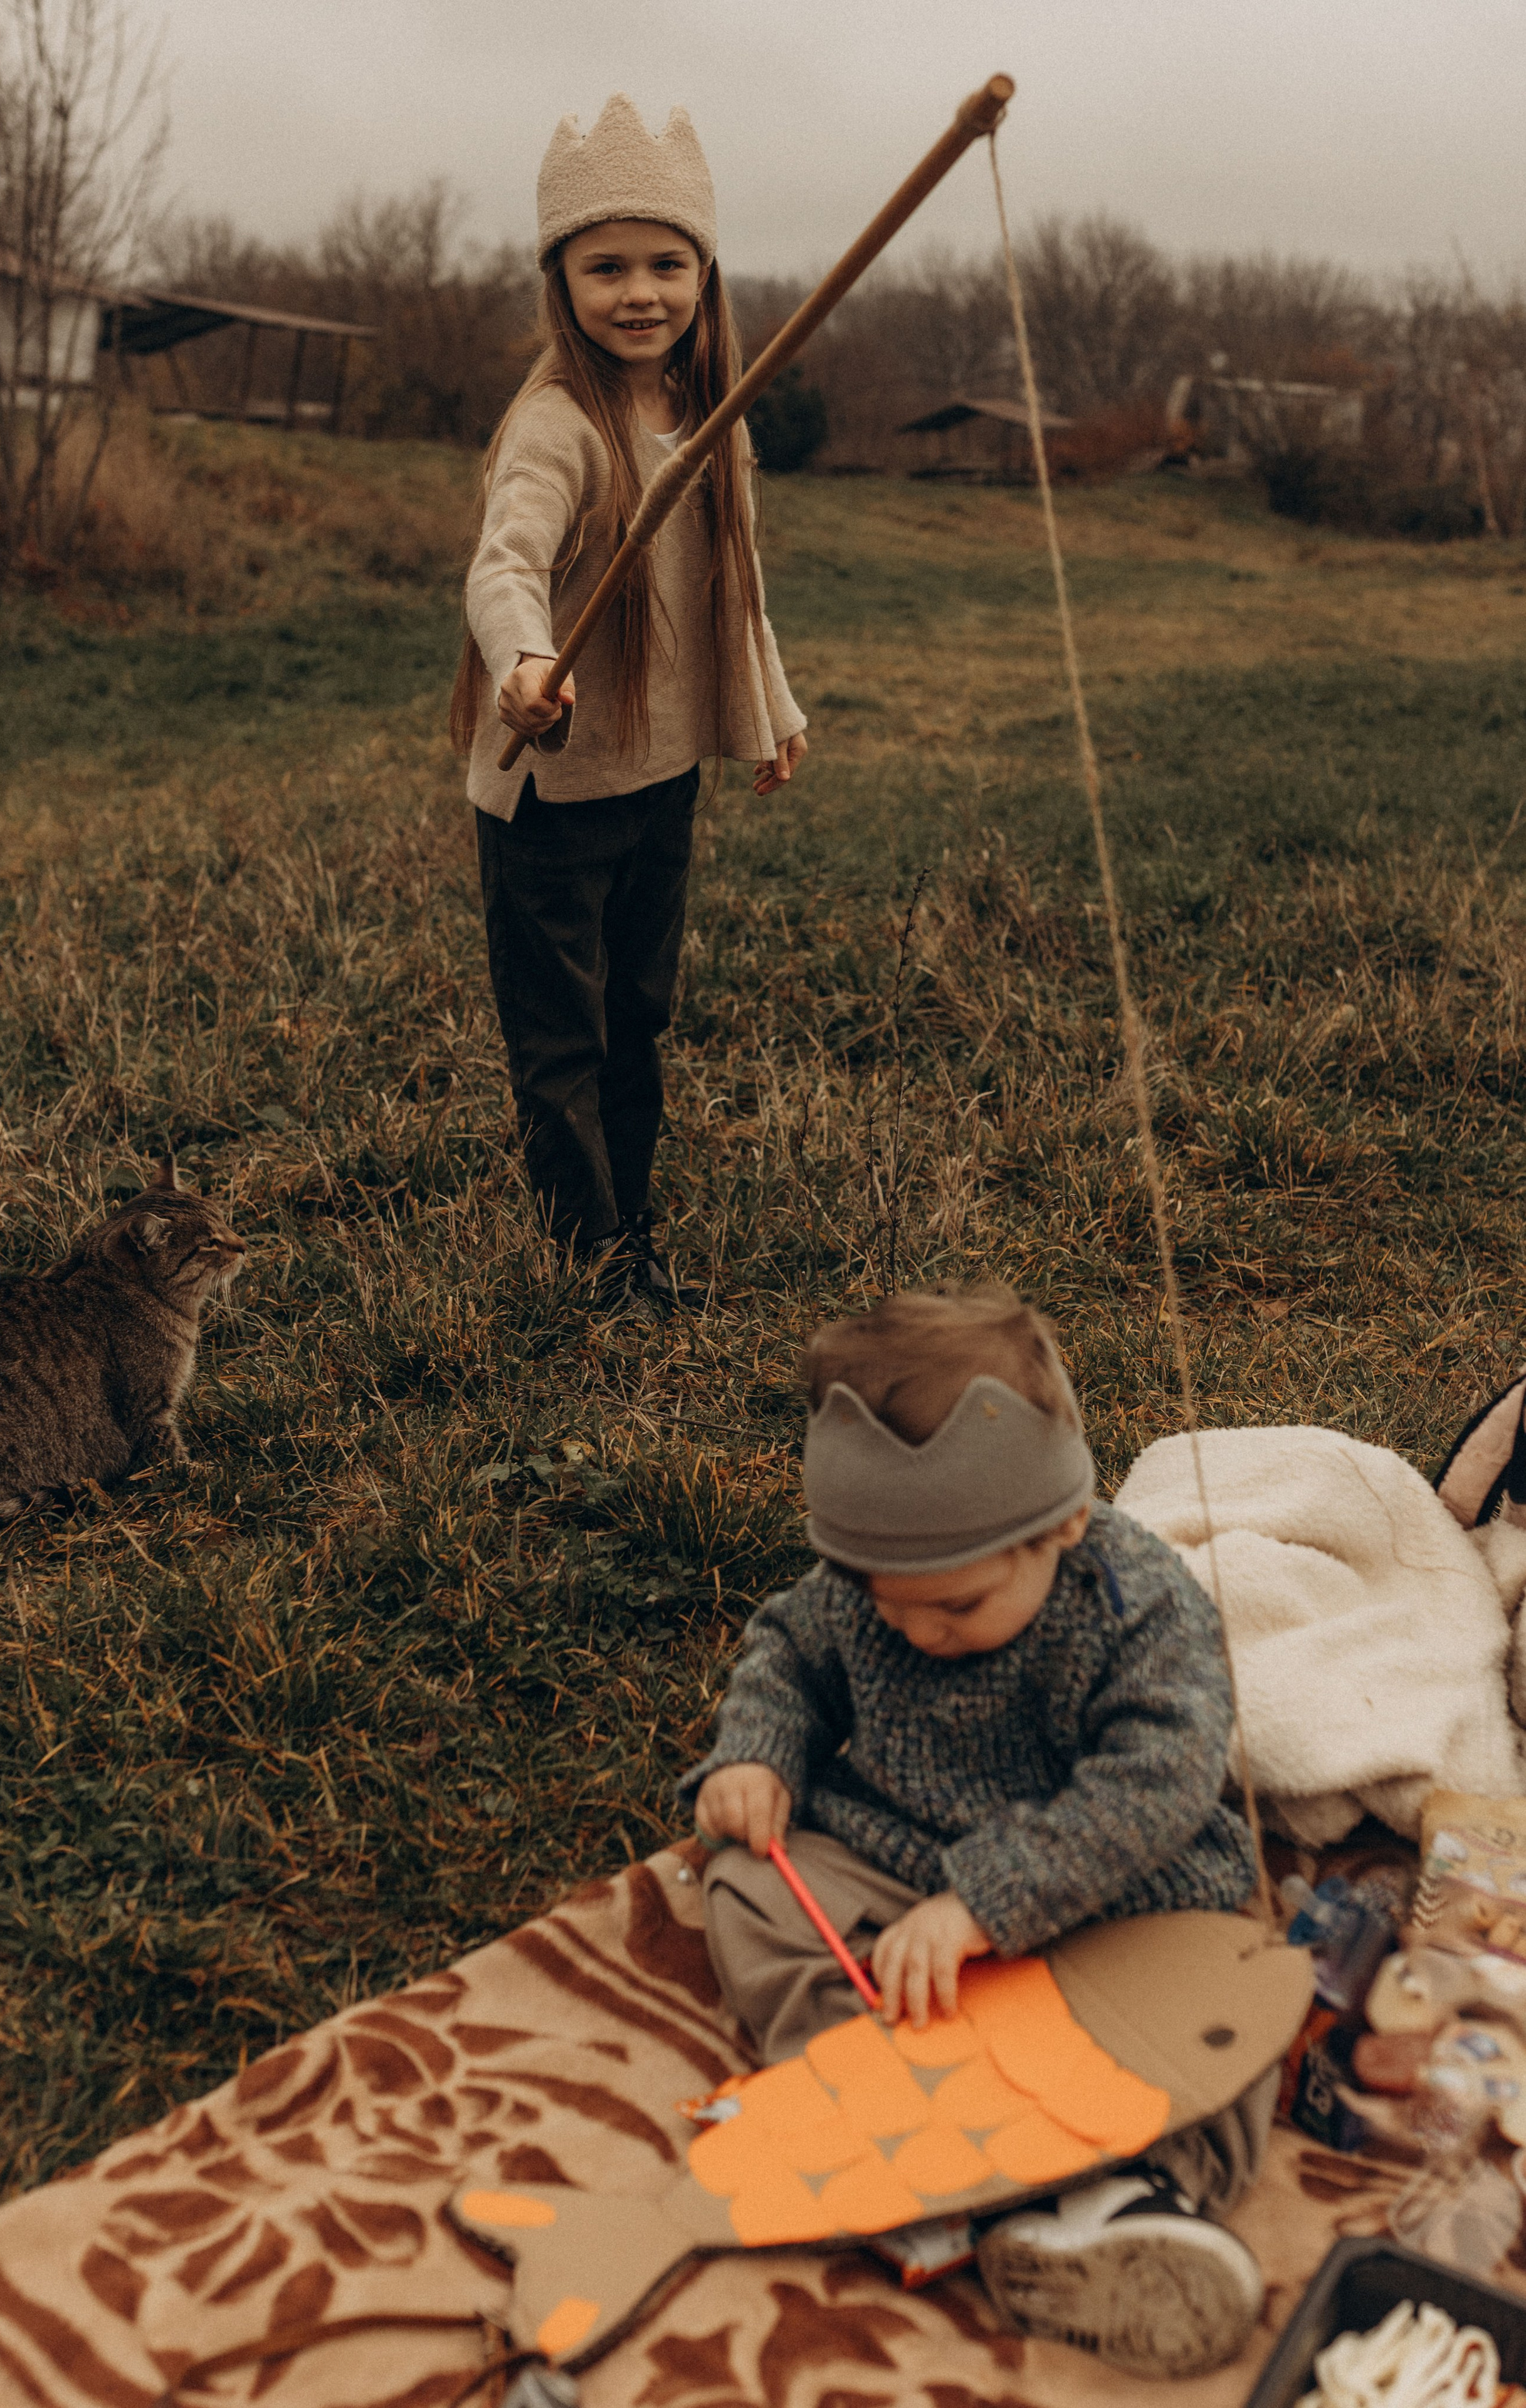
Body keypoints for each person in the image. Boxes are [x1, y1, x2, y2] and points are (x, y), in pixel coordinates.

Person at [679, 1285, 1279, 2383]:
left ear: (1062, 1527)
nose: (911, 1628)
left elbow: (1162, 1781)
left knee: (1225, 2012)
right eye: (883, 1600)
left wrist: (990, 1905)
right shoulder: (881, 1581)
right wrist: (757, 1753)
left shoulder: (1137, 1605)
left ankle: (1127, 2195)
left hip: (1115, 1895)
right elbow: (789, 1652)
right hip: (905, 1851)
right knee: (747, 1886)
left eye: (951, 1609)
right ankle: (880, 2098)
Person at [451, 95, 807, 1320]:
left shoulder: (708, 418)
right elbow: (504, 565)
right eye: (605, 266)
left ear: (705, 277)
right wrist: (523, 664)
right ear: (560, 280)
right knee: (562, 1042)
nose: (639, 291)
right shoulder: (557, 426)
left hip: (657, 776)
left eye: (667, 263)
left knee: (636, 1018)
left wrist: (769, 709)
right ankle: (590, 1264)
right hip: (554, 786)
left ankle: (633, 1239)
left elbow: (731, 585)